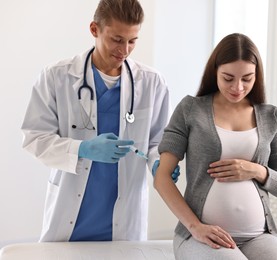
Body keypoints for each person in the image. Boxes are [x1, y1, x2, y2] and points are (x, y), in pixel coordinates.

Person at [21, 0, 179, 242]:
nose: (125, 50)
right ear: (94, 29)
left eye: (132, 41)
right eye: (117, 39)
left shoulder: (152, 82)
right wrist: (82, 148)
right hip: (70, 216)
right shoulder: (56, 76)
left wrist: (159, 163)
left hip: (125, 219)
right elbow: (34, 138)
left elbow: (157, 141)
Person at [154, 33, 277, 260]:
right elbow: (162, 178)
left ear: (256, 76)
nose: (237, 87)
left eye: (247, 79)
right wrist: (195, 228)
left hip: (258, 236)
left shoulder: (271, 117)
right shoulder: (191, 109)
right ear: (215, 72)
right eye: (228, 78)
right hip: (201, 234)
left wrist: (256, 170)